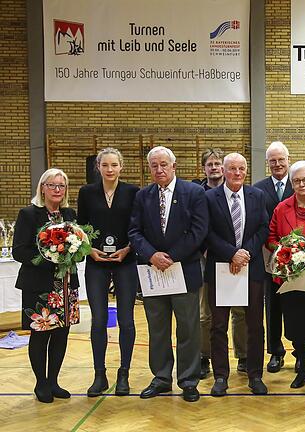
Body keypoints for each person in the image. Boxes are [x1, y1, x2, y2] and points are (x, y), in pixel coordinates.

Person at [128, 146, 209, 403]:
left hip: (183, 270)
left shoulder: (194, 192)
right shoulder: (143, 196)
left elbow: (199, 231)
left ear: (174, 166)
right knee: (158, 329)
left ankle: (188, 380)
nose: (159, 169)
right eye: (154, 165)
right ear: (149, 168)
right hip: (153, 273)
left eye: (164, 164)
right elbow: (134, 232)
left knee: (188, 329)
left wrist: (171, 256)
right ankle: (161, 378)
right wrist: (152, 255)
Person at [205, 153, 270, 396]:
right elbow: (206, 231)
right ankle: (221, 376)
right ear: (223, 170)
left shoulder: (257, 196)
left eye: (241, 168)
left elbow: (264, 227)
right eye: (232, 168)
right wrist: (232, 254)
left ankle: (255, 375)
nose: (238, 173)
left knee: (254, 324)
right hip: (220, 267)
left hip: (250, 268)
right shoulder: (210, 197)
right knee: (218, 325)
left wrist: (244, 254)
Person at [77, 148, 139, 397]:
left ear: (121, 167)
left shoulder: (133, 192)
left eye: (114, 165)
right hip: (96, 262)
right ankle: (99, 375)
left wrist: (128, 249)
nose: (110, 169)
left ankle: (124, 374)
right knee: (99, 320)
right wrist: (89, 250)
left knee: (126, 320)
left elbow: (139, 225)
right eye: (105, 165)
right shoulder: (87, 192)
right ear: (98, 167)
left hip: (126, 260)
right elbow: (81, 226)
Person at [14, 169, 79, 403]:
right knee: (40, 334)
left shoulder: (69, 214)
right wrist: (48, 258)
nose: (57, 190)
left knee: (62, 334)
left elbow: (79, 247)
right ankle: (41, 383)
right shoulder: (29, 214)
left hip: (66, 285)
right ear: (42, 187)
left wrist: (75, 253)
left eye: (62, 186)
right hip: (39, 285)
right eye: (53, 185)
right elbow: (19, 250)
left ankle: (54, 381)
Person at [267, 161, 305, 389]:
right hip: (290, 278)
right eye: (297, 180)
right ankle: (302, 369)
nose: (302, 184)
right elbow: (271, 238)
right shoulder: (281, 208)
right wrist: (287, 253)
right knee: (296, 327)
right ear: (291, 183)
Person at [194, 148, 247, 378]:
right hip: (208, 258)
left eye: (217, 164)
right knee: (206, 313)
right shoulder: (199, 194)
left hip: (238, 260)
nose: (214, 168)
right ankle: (204, 356)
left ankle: (243, 355)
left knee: (239, 310)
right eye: (210, 164)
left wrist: (236, 255)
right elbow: (199, 229)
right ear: (204, 168)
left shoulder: (242, 192)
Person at [254, 141, 294, 373]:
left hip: (298, 258)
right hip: (269, 257)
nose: (278, 164)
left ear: (288, 160)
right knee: (273, 305)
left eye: (281, 159)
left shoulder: (299, 184)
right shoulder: (259, 189)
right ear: (267, 163)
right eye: (273, 160)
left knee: (297, 304)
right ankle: (276, 352)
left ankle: (299, 350)